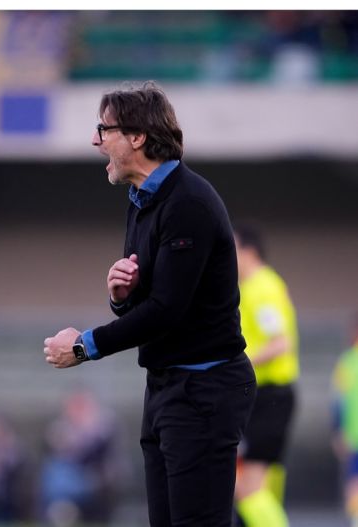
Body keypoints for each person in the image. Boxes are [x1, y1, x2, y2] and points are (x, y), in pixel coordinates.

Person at [43, 81, 256, 527]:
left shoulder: (188, 203)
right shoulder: (143, 201)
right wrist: (121, 296)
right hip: (165, 387)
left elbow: (166, 311)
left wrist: (83, 346)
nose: (95, 140)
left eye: (104, 129)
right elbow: (155, 303)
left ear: (137, 136)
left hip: (203, 391)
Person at [232, 224, 299, 527]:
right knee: (250, 488)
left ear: (249, 252)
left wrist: (238, 363)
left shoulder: (263, 287)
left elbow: (281, 342)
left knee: (249, 489)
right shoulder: (248, 288)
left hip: (271, 396)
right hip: (260, 397)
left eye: (232, 248)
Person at [40, 388, 120, 526]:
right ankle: (62, 509)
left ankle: (62, 510)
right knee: (55, 469)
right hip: (68, 477)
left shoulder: (103, 427)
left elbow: (99, 457)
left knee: (60, 473)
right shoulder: (62, 427)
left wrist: (84, 437)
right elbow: (55, 451)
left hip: (93, 477)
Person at [331, 315, 358, 527]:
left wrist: (338, 430)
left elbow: (338, 402)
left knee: (354, 481)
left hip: (353, 435)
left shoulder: (347, 362)